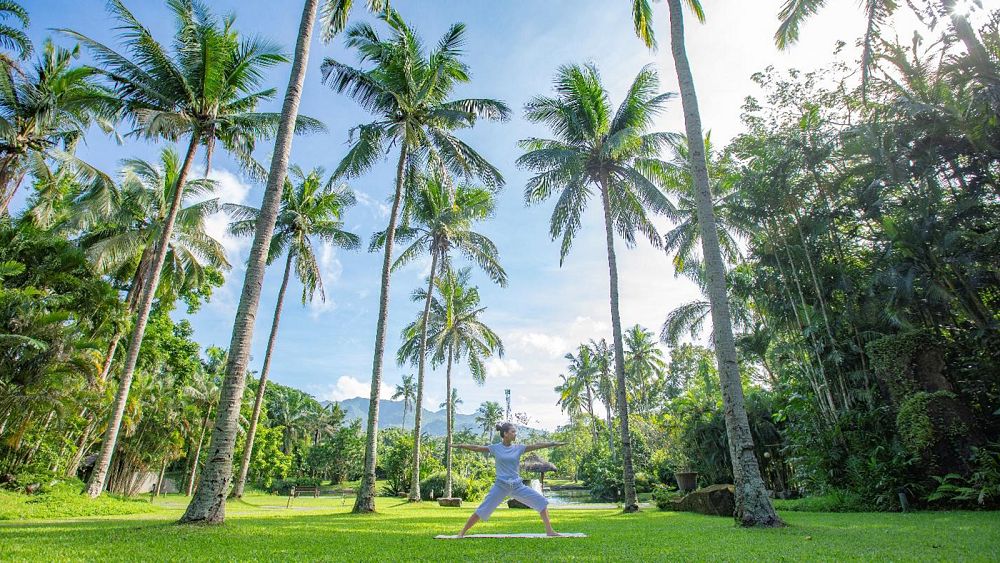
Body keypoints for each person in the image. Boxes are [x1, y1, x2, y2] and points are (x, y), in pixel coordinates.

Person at [453, 422, 566, 538]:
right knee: (483, 509)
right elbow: (476, 448)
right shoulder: (495, 448)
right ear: (505, 434)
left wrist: (553, 443)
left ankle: (549, 531)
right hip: (500, 486)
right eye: (513, 432)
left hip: (517, 486)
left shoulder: (518, 448)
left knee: (541, 502)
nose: (515, 434)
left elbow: (537, 445)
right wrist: (460, 445)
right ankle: (462, 532)